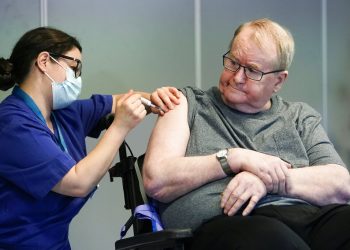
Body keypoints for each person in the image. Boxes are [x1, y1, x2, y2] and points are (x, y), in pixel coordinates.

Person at [143, 18, 350, 250]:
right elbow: (156, 179)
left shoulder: (299, 116)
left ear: (278, 81)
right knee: (271, 238)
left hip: (306, 217)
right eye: (232, 62)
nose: (237, 77)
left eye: (251, 71)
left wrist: (268, 181)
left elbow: (341, 185)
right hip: (229, 224)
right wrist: (232, 158)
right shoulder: (186, 103)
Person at [0, 27, 180, 249]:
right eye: (73, 67)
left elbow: (120, 101)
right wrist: (121, 125)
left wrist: (155, 98)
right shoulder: (11, 124)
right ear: (44, 61)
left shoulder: (63, 114)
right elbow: (78, 182)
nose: (76, 78)